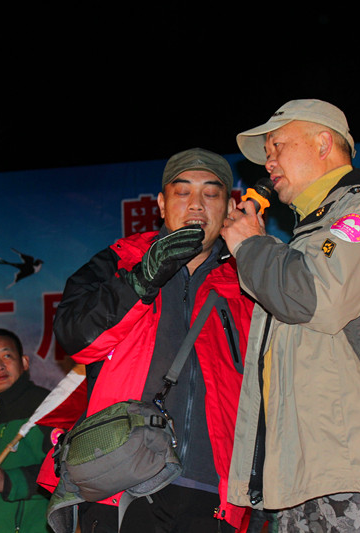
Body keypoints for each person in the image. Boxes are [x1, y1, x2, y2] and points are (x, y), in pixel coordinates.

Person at [222, 99, 360, 531]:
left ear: (324, 142)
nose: (267, 163)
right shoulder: (305, 241)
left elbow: (316, 299)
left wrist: (251, 246)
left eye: (277, 147)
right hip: (306, 480)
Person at [50, 148, 255, 532]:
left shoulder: (248, 281)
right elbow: (75, 338)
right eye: (183, 192)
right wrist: (142, 280)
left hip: (216, 494)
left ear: (229, 206)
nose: (197, 205)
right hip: (124, 483)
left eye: (211, 194)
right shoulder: (120, 260)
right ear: (161, 203)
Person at [0, 328, 53, 533]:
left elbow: (66, 471)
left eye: (6, 356)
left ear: (25, 363)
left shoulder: (46, 407)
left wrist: (10, 481)